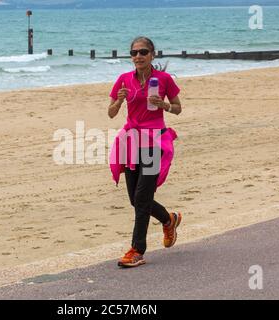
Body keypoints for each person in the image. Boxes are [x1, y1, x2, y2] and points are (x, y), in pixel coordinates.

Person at [108, 36, 183, 268]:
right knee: (135, 199)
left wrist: (164, 106)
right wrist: (119, 102)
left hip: (154, 142)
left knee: (141, 197)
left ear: (153, 54)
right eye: (134, 53)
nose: (138, 56)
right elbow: (110, 113)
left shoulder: (164, 79)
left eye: (142, 52)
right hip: (131, 142)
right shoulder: (123, 80)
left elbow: (178, 108)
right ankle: (168, 219)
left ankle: (137, 250)